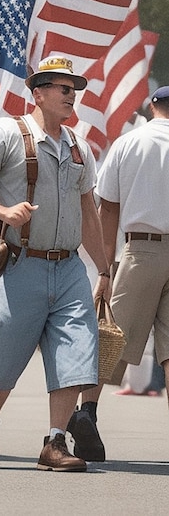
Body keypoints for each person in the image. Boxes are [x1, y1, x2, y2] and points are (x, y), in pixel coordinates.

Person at [0, 55, 110, 471]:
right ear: (38, 92)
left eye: (74, 89)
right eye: (63, 88)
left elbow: (88, 210)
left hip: (69, 268)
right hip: (21, 263)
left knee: (76, 354)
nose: (71, 95)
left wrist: (105, 268)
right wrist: (4, 214)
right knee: (3, 347)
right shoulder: (7, 133)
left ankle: (55, 442)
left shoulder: (78, 145)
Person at [68, 84, 169, 461]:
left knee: (110, 341)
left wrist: (105, 270)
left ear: (151, 105)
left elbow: (106, 210)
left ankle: (88, 414)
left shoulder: (129, 143)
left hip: (141, 249)